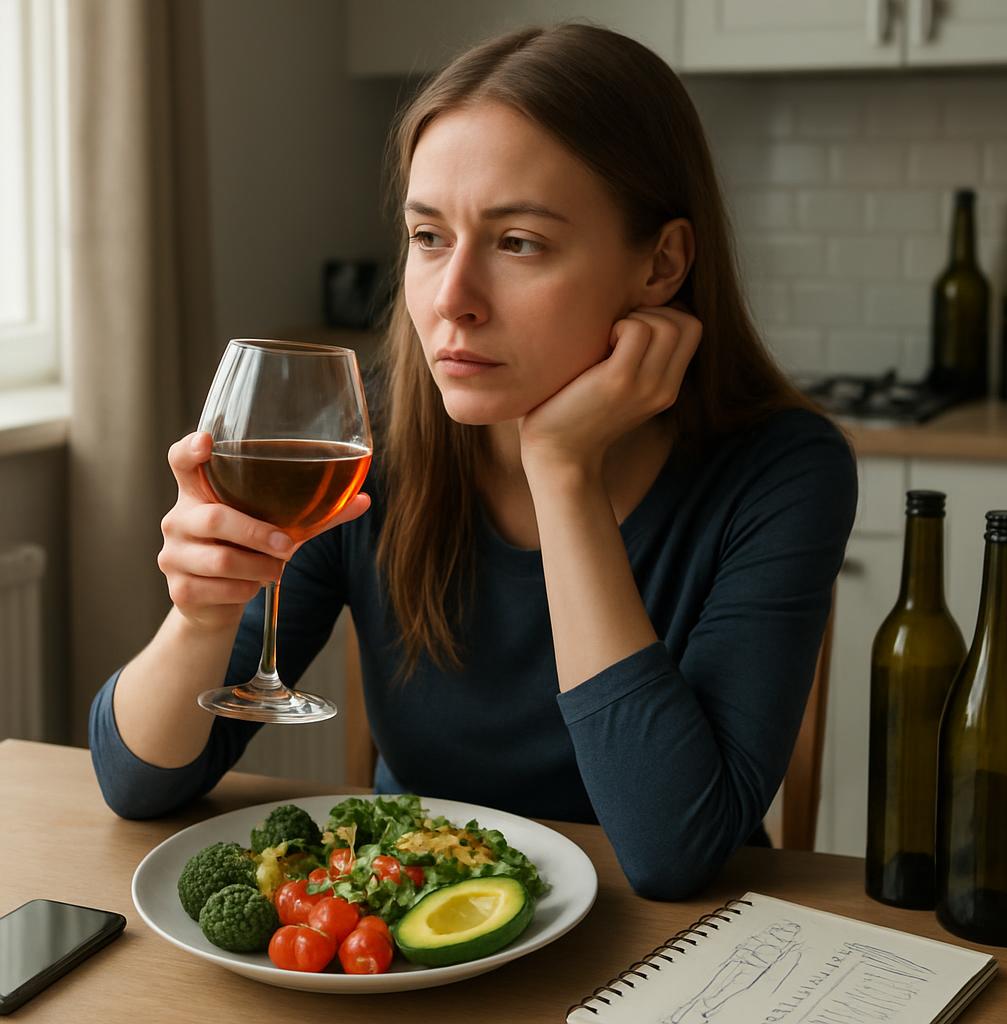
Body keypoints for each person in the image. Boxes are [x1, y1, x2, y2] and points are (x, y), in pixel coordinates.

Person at [89, 23, 857, 900]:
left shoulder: (782, 472)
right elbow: (138, 784)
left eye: (518, 241)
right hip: (410, 927)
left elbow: (672, 851)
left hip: (668, 949)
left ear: (661, 263)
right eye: (428, 236)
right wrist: (200, 617)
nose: (452, 299)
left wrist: (561, 468)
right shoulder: (366, 443)